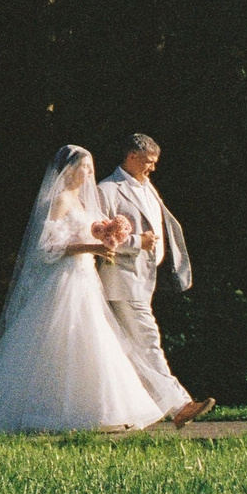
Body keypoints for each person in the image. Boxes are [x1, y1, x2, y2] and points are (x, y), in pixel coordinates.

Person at [0, 145, 168, 435]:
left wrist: (108, 235)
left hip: (85, 277)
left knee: (90, 337)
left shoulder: (80, 202)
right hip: (64, 279)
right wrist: (94, 246)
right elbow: (47, 247)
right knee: (62, 340)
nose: (89, 174)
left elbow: (84, 232)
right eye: (84, 167)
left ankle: (98, 410)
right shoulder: (61, 200)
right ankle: (53, 411)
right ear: (69, 169)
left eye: (91, 168)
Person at [88, 133, 214, 427]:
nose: (152, 168)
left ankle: (128, 410)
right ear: (131, 157)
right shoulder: (108, 189)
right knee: (148, 341)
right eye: (148, 162)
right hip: (121, 279)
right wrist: (135, 241)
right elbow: (96, 234)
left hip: (146, 278)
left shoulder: (147, 186)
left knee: (127, 347)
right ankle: (179, 405)